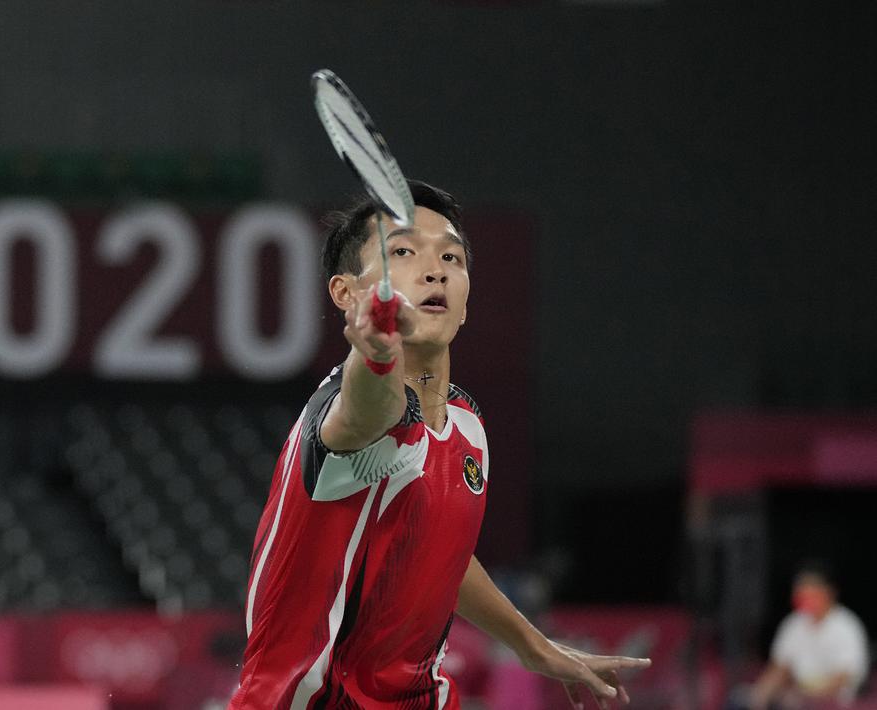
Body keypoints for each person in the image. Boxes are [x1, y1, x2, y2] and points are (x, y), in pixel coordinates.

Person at [230, 181, 650, 709]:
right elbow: (373, 412)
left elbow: (440, 552)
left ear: (466, 301)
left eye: (451, 257)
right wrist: (378, 351)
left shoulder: (466, 423)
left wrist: (533, 646)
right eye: (403, 251)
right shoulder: (344, 412)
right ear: (346, 294)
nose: (436, 271)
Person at [748, 563, 869, 709]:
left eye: (811, 593)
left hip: (835, 703)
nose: (805, 598)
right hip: (798, 697)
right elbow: (781, 667)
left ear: (828, 593)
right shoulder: (793, 623)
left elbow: (843, 678)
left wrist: (805, 695)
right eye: (801, 593)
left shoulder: (846, 626)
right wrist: (762, 691)